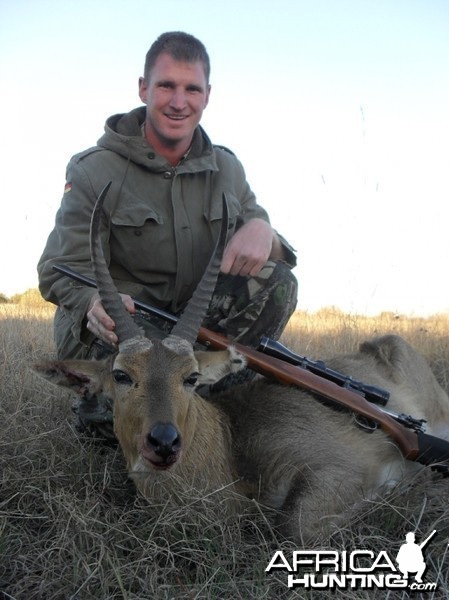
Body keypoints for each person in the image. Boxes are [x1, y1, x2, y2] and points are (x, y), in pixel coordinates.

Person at [38, 31, 298, 437]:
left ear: (207, 95)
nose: (179, 102)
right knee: (134, 400)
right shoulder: (93, 170)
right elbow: (58, 269)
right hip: (124, 332)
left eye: (191, 88)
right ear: (144, 88)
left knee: (279, 281)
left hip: (188, 332)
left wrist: (263, 228)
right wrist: (92, 302)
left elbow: (260, 227)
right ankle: (115, 408)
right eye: (166, 86)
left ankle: (193, 405)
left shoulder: (227, 168)